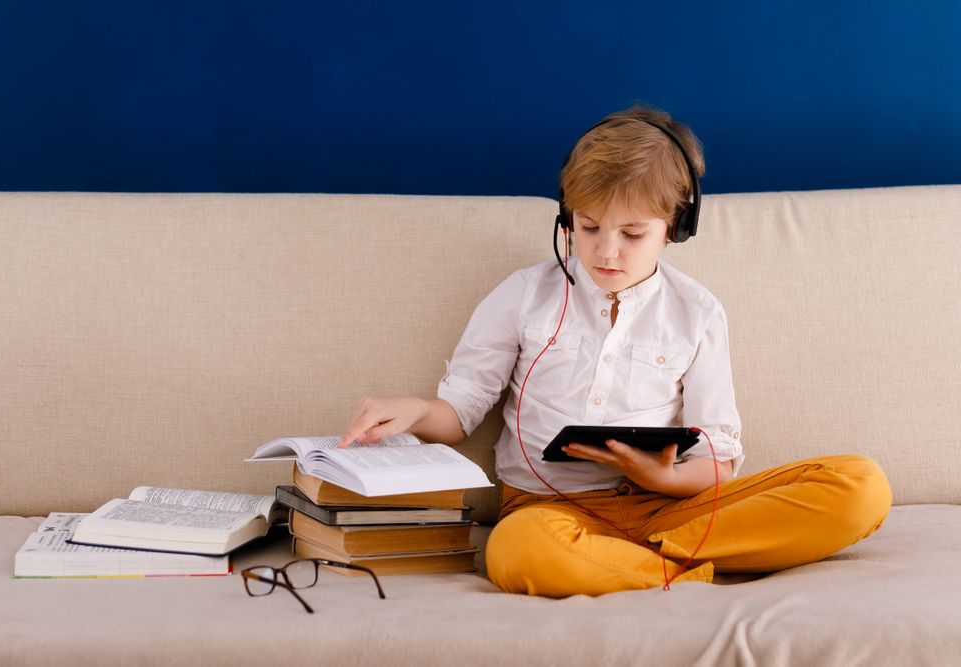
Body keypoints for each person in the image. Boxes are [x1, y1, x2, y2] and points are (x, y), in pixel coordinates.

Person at [339, 104, 892, 596]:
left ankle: (636, 562)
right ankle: (684, 570)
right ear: (566, 217)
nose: (606, 251)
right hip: (549, 511)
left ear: (676, 226)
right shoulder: (523, 295)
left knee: (860, 485)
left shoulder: (696, 312)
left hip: (671, 505)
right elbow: (460, 411)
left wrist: (665, 480)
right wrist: (412, 410)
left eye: (632, 234)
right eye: (588, 227)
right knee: (516, 552)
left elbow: (718, 458)